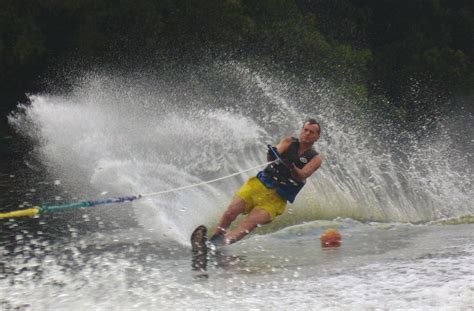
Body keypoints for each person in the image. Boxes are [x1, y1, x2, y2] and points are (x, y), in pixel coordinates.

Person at [209, 118, 322, 246]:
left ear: (317, 137)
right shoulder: (288, 141)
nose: (307, 133)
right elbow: (271, 157)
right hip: (259, 184)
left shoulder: (316, 158)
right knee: (231, 211)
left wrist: (292, 167)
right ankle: (215, 238)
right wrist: (272, 154)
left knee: (247, 225)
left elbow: (302, 175)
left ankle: (220, 245)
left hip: (276, 199)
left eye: (311, 132)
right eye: (305, 130)